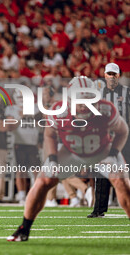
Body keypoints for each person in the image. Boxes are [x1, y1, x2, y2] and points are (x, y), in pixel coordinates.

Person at [7, 76, 130, 242]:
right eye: (80, 101)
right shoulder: (59, 110)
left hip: (102, 151)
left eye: (88, 100)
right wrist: (52, 157)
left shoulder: (106, 109)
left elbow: (122, 131)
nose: (84, 106)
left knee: (121, 181)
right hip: (71, 152)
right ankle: (24, 228)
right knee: (43, 182)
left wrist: (114, 152)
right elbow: (49, 133)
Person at [88, 63, 130, 218]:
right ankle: (99, 209)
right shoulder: (98, 95)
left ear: (119, 75)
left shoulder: (127, 92)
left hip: (125, 138)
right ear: (104, 75)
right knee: (103, 173)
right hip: (105, 138)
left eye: (114, 74)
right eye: (109, 74)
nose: (111, 77)